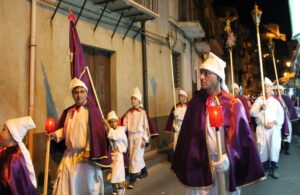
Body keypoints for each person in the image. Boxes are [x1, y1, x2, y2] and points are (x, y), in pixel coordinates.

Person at [172, 52, 265, 195]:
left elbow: (242, 140)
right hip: (201, 164)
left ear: (218, 76)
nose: (201, 77)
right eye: (201, 73)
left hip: (225, 166)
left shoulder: (233, 105)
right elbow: (188, 138)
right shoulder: (195, 104)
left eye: (207, 73)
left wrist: (229, 157)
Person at [49, 78, 108, 195]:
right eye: (76, 92)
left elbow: (95, 133)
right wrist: (55, 134)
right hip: (69, 155)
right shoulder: (69, 111)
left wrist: (88, 149)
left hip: (85, 157)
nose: (79, 95)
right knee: (65, 185)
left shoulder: (92, 111)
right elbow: (66, 130)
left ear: (86, 93)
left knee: (87, 186)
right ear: (72, 95)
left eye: (82, 92)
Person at [122, 87, 158, 189]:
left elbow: (146, 127)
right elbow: (125, 125)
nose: (132, 100)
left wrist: (144, 139)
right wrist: (119, 130)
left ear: (139, 100)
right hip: (130, 137)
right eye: (131, 98)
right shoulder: (129, 112)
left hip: (139, 137)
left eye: (134, 98)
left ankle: (132, 179)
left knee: (135, 158)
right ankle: (144, 171)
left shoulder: (142, 112)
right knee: (134, 156)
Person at [250, 77, 284, 179]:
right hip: (261, 129)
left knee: (274, 148)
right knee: (262, 149)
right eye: (264, 86)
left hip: (273, 130)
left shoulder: (276, 102)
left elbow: (280, 115)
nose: (266, 88)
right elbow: (251, 112)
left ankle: (274, 169)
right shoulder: (259, 100)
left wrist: (273, 122)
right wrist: (261, 108)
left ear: (271, 88)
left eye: (268, 86)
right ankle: (264, 169)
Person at [0, 116, 38, 195]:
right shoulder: (7, 152)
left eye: (3, 129)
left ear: (11, 135)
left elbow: (7, 182)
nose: (1, 132)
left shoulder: (14, 157)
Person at [103, 111, 127, 195]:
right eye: (110, 122)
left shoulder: (120, 129)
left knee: (117, 175)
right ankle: (115, 191)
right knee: (113, 175)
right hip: (112, 156)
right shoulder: (110, 130)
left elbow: (115, 136)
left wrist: (107, 124)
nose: (113, 124)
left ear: (117, 121)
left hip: (118, 156)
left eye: (114, 121)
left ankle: (121, 189)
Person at [273, 85, 298, 154]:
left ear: (282, 91)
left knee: (287, 132)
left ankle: (286, 149)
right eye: (276, 90)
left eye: (279, 90)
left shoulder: (286, 98)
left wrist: (290, 115)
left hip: (286, 118)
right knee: (279, 133)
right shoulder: (273, 98)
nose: (277, 92)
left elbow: (291, 108)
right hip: (277, 119)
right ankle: (280, 148)